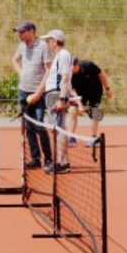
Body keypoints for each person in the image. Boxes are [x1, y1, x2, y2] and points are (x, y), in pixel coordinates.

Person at [11, 20, 52, 169]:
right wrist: (21, 73)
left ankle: (48, 160)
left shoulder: (43, 46)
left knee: (39, 125)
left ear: (31, 31)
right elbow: (14, 59)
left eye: (22, 32)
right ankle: (35, 158)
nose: (20, 35)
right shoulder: (22, 46)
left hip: (38, 93)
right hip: (23, 92)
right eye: (19, 32)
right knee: (28, 127)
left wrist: (39, 92)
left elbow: (49, 70)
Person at [30, 30, 73, 172]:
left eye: (49, 40)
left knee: (58, 129)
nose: (47, 43)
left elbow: (65, 77)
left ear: (55, 41)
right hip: (53, 94)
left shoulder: (64, 55)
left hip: (55, 94)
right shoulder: (59, 56)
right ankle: (63, 161)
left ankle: (62, 162)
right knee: (56, 129)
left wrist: (62, 98)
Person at [65, 57, 112, 141]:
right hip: (80, 92)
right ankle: (71, 137)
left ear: (77, 65)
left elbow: (101, 75)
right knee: (72, 110)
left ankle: (93, 137)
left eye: (71, 67)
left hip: (95, 90)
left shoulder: (88, 65)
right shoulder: (69, 74)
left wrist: (107, 89)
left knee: (95, 112)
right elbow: (72, 90)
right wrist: (80, 105)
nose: (70, 69)